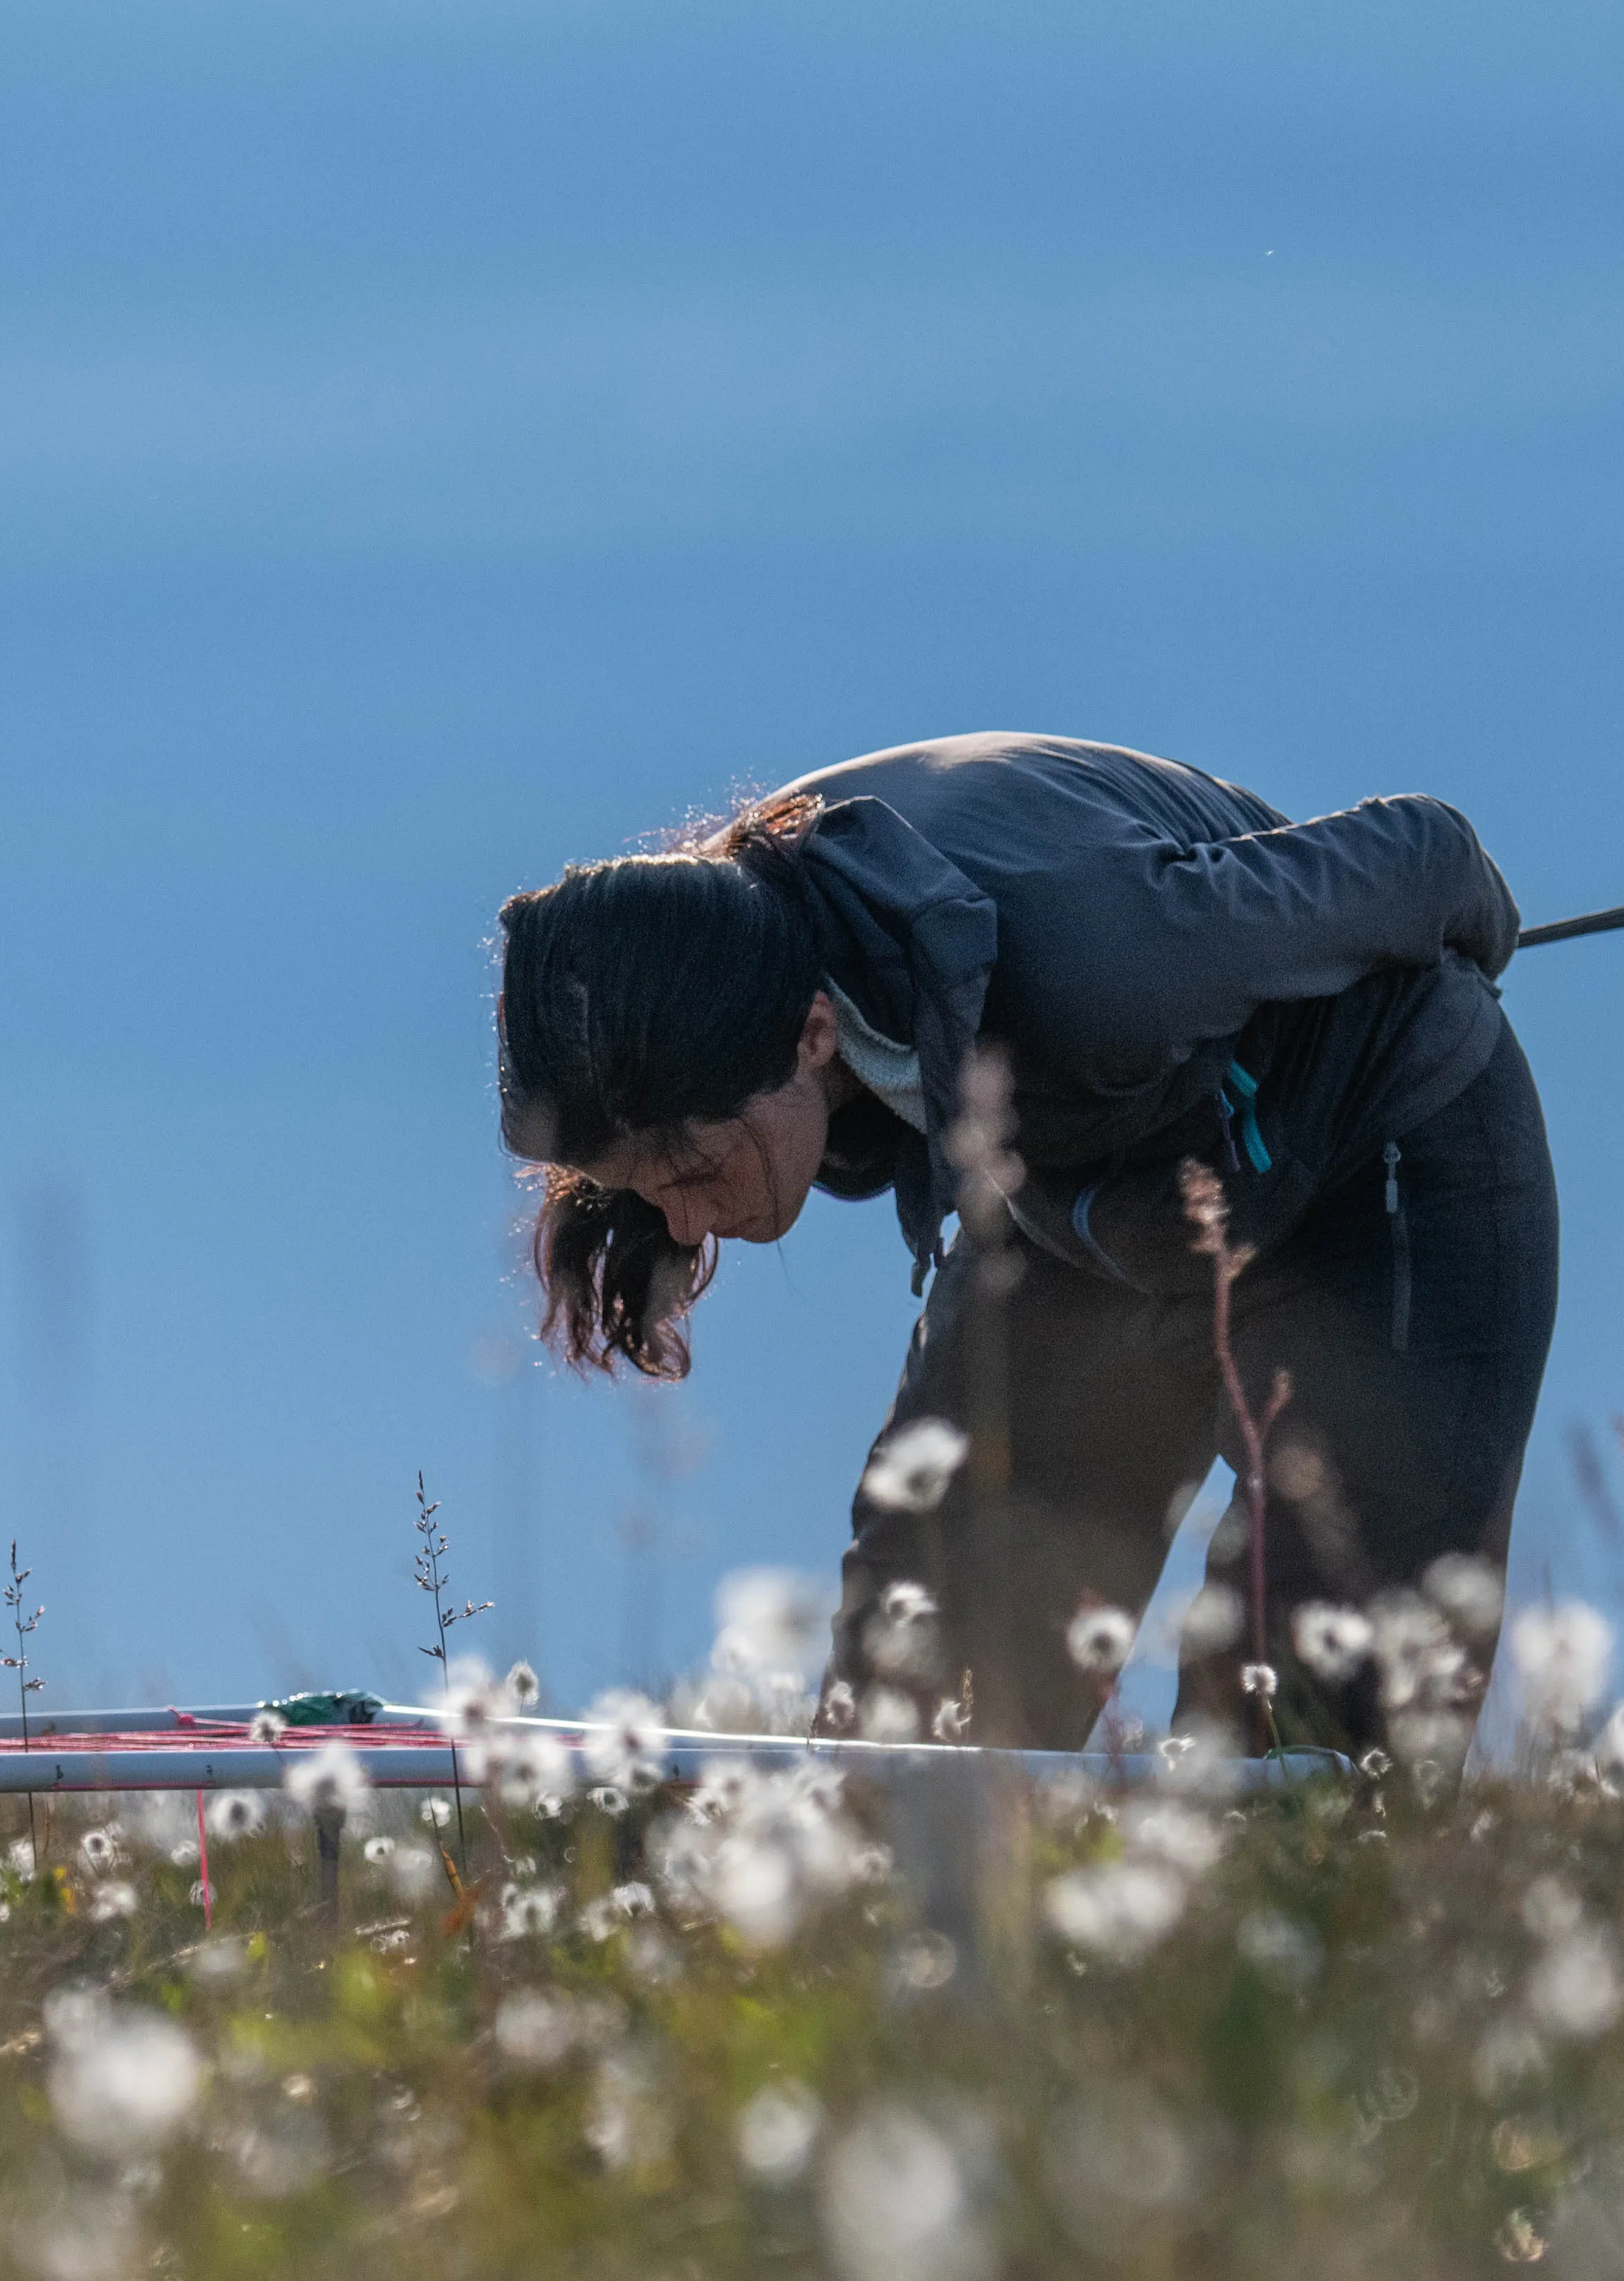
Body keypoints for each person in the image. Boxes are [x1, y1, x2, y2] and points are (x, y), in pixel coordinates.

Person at [491, 733, 1550, 1756]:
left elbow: (1426, 852)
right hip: (1098, 1192)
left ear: (811, 1034)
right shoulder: (728, 945)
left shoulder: (1106, 959)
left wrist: (1476, 937)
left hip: (1379, 1154)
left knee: (1309, 1709)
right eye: (640, 1190)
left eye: (689, 1172)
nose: (680, 1222)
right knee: (921, 1691)